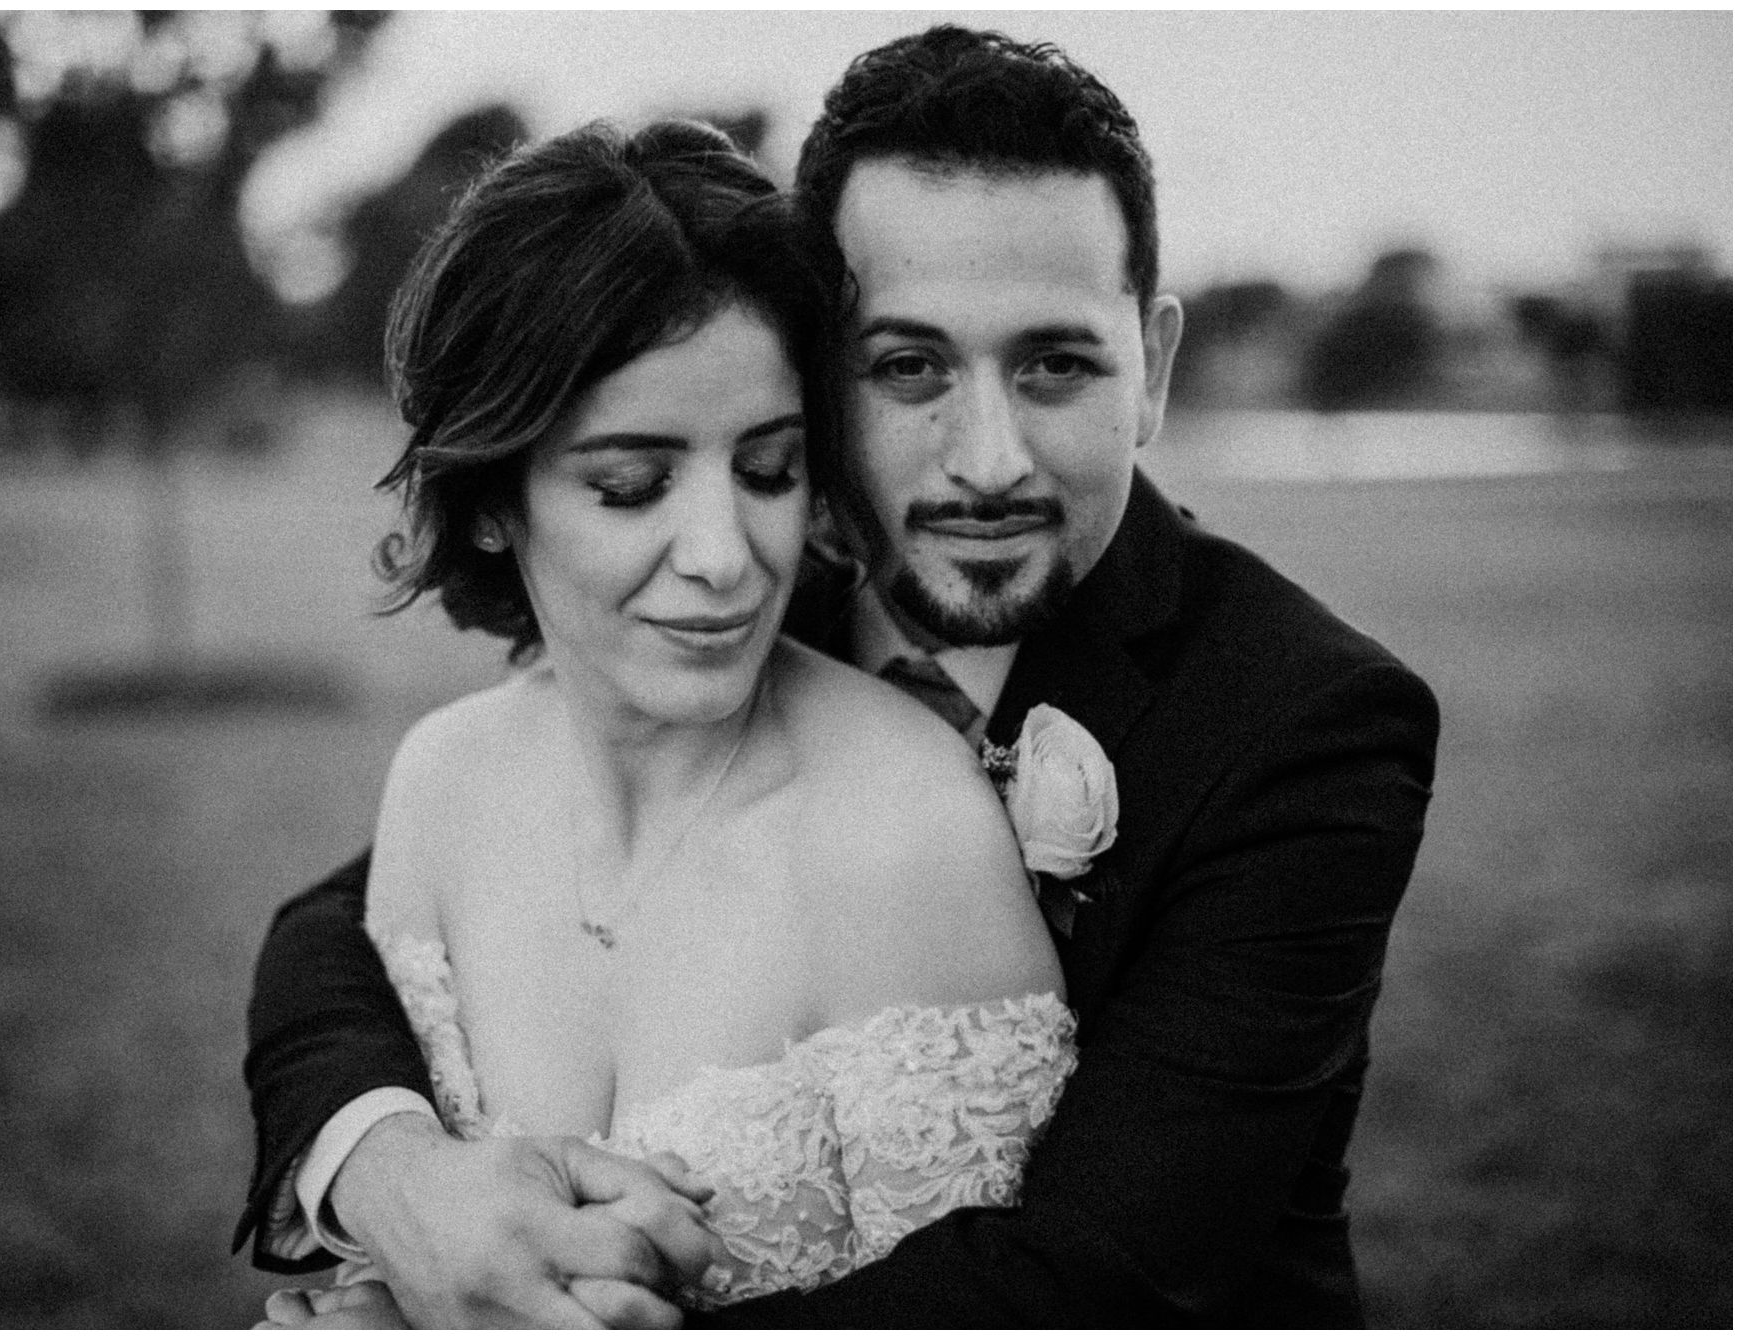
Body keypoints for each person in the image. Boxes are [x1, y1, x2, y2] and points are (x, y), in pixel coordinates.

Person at [238, 25, 1439, 1328]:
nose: (987, 461)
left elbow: (1096, 1275)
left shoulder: (1305, 721)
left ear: (1149, 365)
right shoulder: (733, 602)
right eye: (908, 365)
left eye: (1055, 363)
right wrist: (392, 1178)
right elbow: (336, 930)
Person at [246, 114, 1083, 1328]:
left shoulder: (903, 832)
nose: (723, 557)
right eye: (630, 485)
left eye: (768, 469)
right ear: (487, 500)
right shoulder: (443, 776)